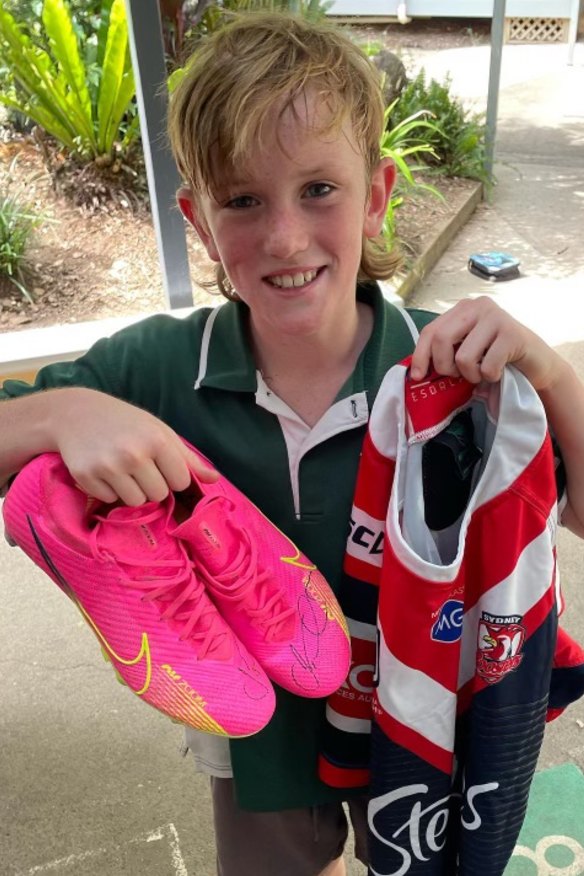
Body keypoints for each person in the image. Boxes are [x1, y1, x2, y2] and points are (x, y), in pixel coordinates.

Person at [1, 12, 584, 876]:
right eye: (243, 200)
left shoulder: (454, 370)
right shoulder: (156, 367)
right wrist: (62, 414)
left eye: (319, 189)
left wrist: (550, 372)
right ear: (200, 222)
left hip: (422, 726)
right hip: (258, 744)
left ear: (377, 195)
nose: (284, 237)